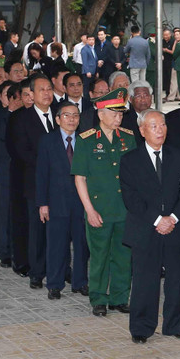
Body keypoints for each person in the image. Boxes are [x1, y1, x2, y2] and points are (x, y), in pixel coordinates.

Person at [121, 109, 180, 342]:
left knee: (176, 280)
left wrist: (173, 218)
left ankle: (175, 325)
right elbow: (131, 198)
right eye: (154, 126)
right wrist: (157, 220)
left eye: (162, 125)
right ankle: (141, 328)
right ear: (142, 131)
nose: (160, 130)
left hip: (175, 227)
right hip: (145, 228)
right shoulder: (130, 160)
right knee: (145, 280)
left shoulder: (177, 155)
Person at [72, 87, 136, 316]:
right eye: (114, 113)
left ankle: (119, 297)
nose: (119, 117)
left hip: (124, 209)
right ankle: (98, 297)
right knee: (99, 256)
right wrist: (89, 210)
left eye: (121, 113)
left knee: (123, 256)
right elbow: (80, 178)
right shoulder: (86, 140)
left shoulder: (128, 137)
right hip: (99, 209)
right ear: (100, 114)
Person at [36, 102, 89, 299]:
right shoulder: (47, 141)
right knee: (56, 245)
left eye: (75, 115)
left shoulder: (85, 140)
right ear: (58, 119)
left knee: (82, 245)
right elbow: (41, 173)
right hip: (56, 202)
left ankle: (80, 282)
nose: (72, 119)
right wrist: (42, 203)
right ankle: (54, 284)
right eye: (67, 115)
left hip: (81, 202)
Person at [6, 74, 54, 285]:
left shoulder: (61, 115)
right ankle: (37, 271)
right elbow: (21, 152)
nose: (46, 93)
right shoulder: (21, 118)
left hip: (60, 183)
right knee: (37, 229)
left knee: (59, 229)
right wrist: (51, 165)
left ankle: (60, 268)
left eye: (49, 89)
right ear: (32, 94)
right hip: (34, 181)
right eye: (41, 90)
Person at [0, 81, 17, 268]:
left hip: (23, 171)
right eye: (7, 95)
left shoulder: (25, 115)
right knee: (5, 214)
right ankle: (5, 252)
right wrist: (10, 112)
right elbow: (1, 134)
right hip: (5, 170)